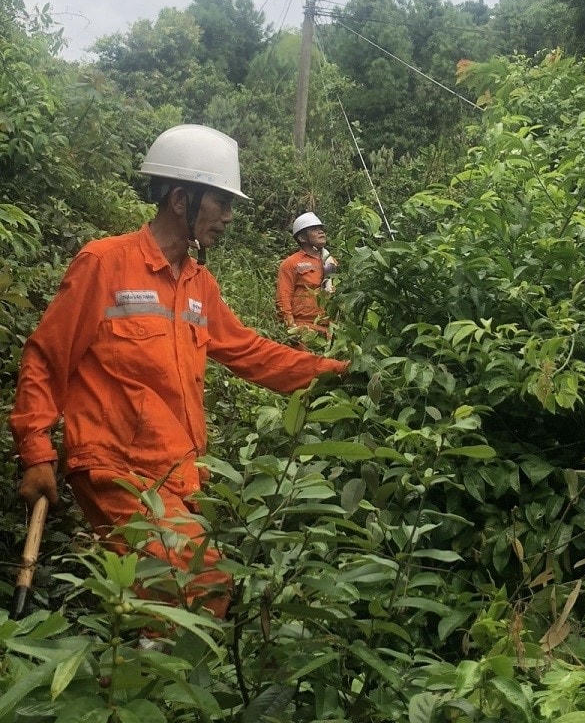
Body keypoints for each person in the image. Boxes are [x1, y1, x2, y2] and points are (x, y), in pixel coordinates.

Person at [10, 125, 347, 618]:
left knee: (158, 606)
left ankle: (130, 685)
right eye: (222, 204)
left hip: (176, 473)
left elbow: (250, 352)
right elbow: (46, 356)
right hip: (114, 467)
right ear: (180, 199)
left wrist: (338, 372)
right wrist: (35, 450)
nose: (229, 218)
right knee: (200, 579)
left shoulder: (198, 283)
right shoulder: (104, 263)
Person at [275, 212, 338, 337]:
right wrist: (291, 327)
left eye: (321, 229)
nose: (321, 232)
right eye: (314, 229)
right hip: (304, 327)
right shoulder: (291, 263)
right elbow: (283, 298)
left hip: (330, 328)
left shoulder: (330, 262)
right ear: (302, 238)